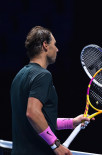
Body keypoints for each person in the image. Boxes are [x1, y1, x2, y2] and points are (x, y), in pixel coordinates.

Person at [10, 26, 93, 155]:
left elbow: (38, 120)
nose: (57, 49)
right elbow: (32, 113)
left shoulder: (19, 76)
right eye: (54, 44)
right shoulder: (43, 75)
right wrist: (56, 145)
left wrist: (71, 123)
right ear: (45, 45)